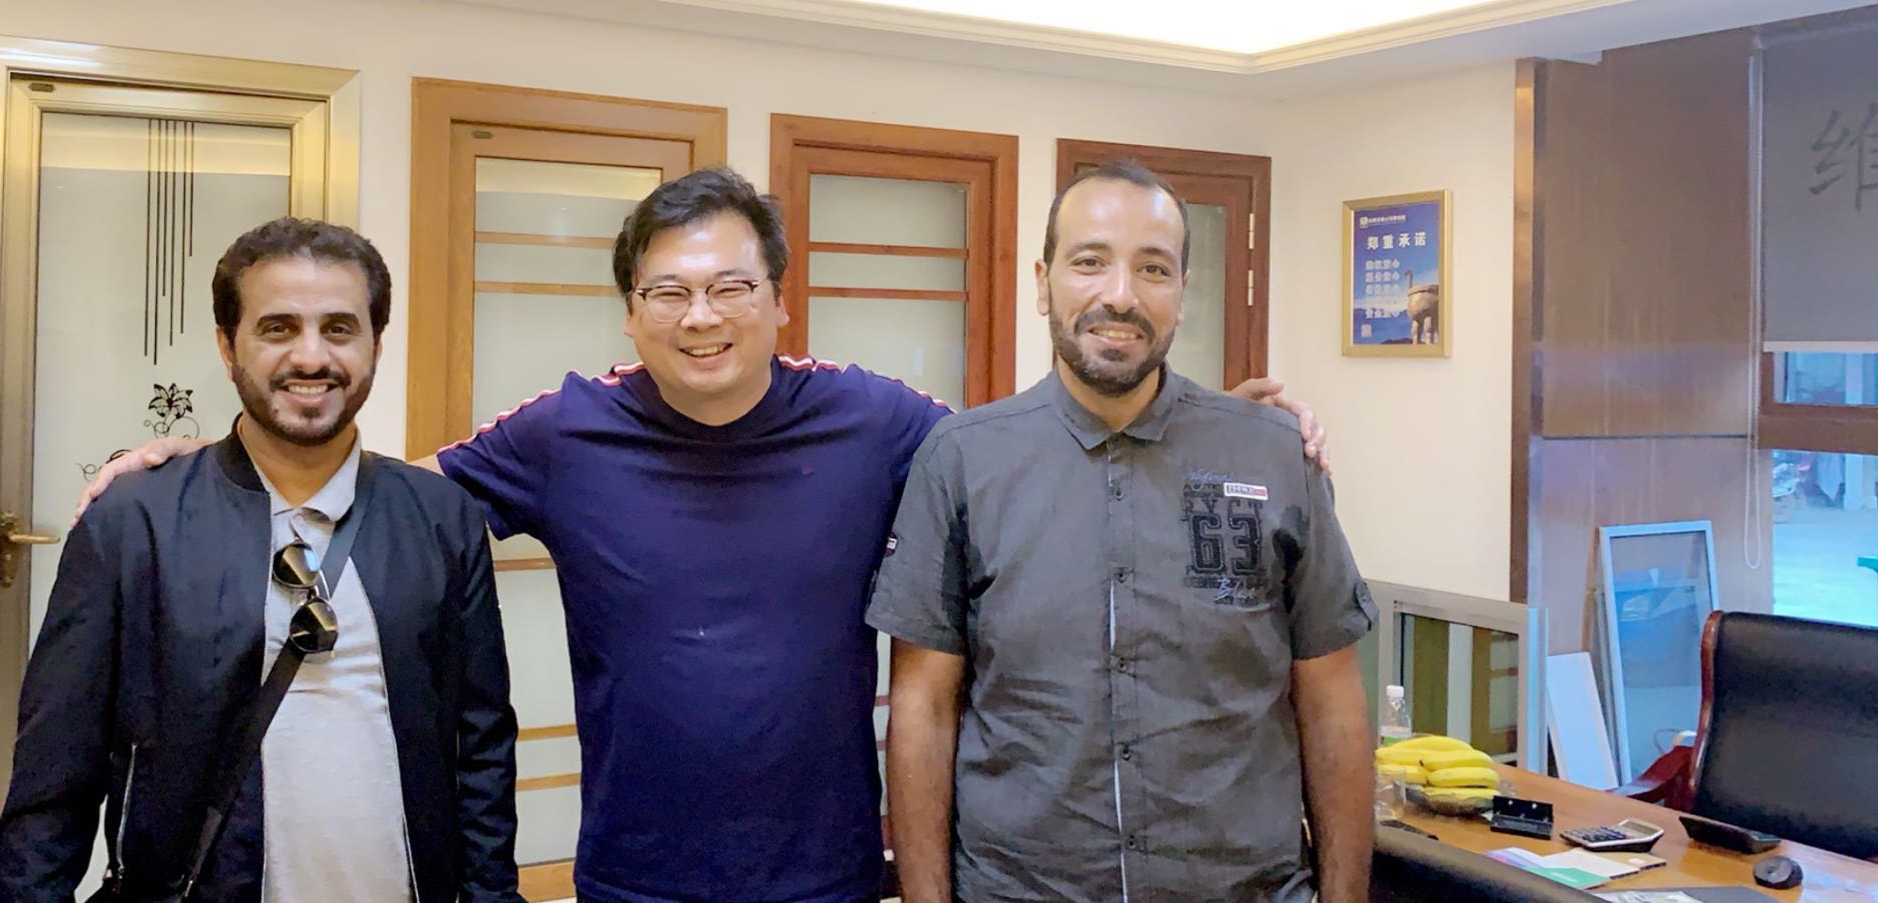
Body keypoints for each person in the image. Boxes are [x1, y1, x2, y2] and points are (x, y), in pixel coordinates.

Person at [81, 168, 1331, 902]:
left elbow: (1033, 458)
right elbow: (389, 498)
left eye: (732, 286)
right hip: (633, 867)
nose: (702, 317)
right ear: (630, 310)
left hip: (827, 866)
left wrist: (1210, 427)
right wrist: (211, 469)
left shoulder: (877, 421)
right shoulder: (565, 430)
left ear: (780, 301)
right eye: (669, 291)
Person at [870, 161, 1375, 903]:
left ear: (1182, 292)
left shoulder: (1271, 456)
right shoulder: (961, 461)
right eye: (1089, 261)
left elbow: (1331, 701)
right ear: (1042, 283)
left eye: (1152, 268)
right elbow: (923, 708)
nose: (1121, 294)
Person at [0, 219, 521, 902]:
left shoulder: (440, 517)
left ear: (375, 344)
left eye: (339, 328)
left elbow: (481, 747)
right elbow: (54, 777)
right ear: (227, 346)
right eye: (278, 328)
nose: (311, 356)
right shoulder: (135, 522)